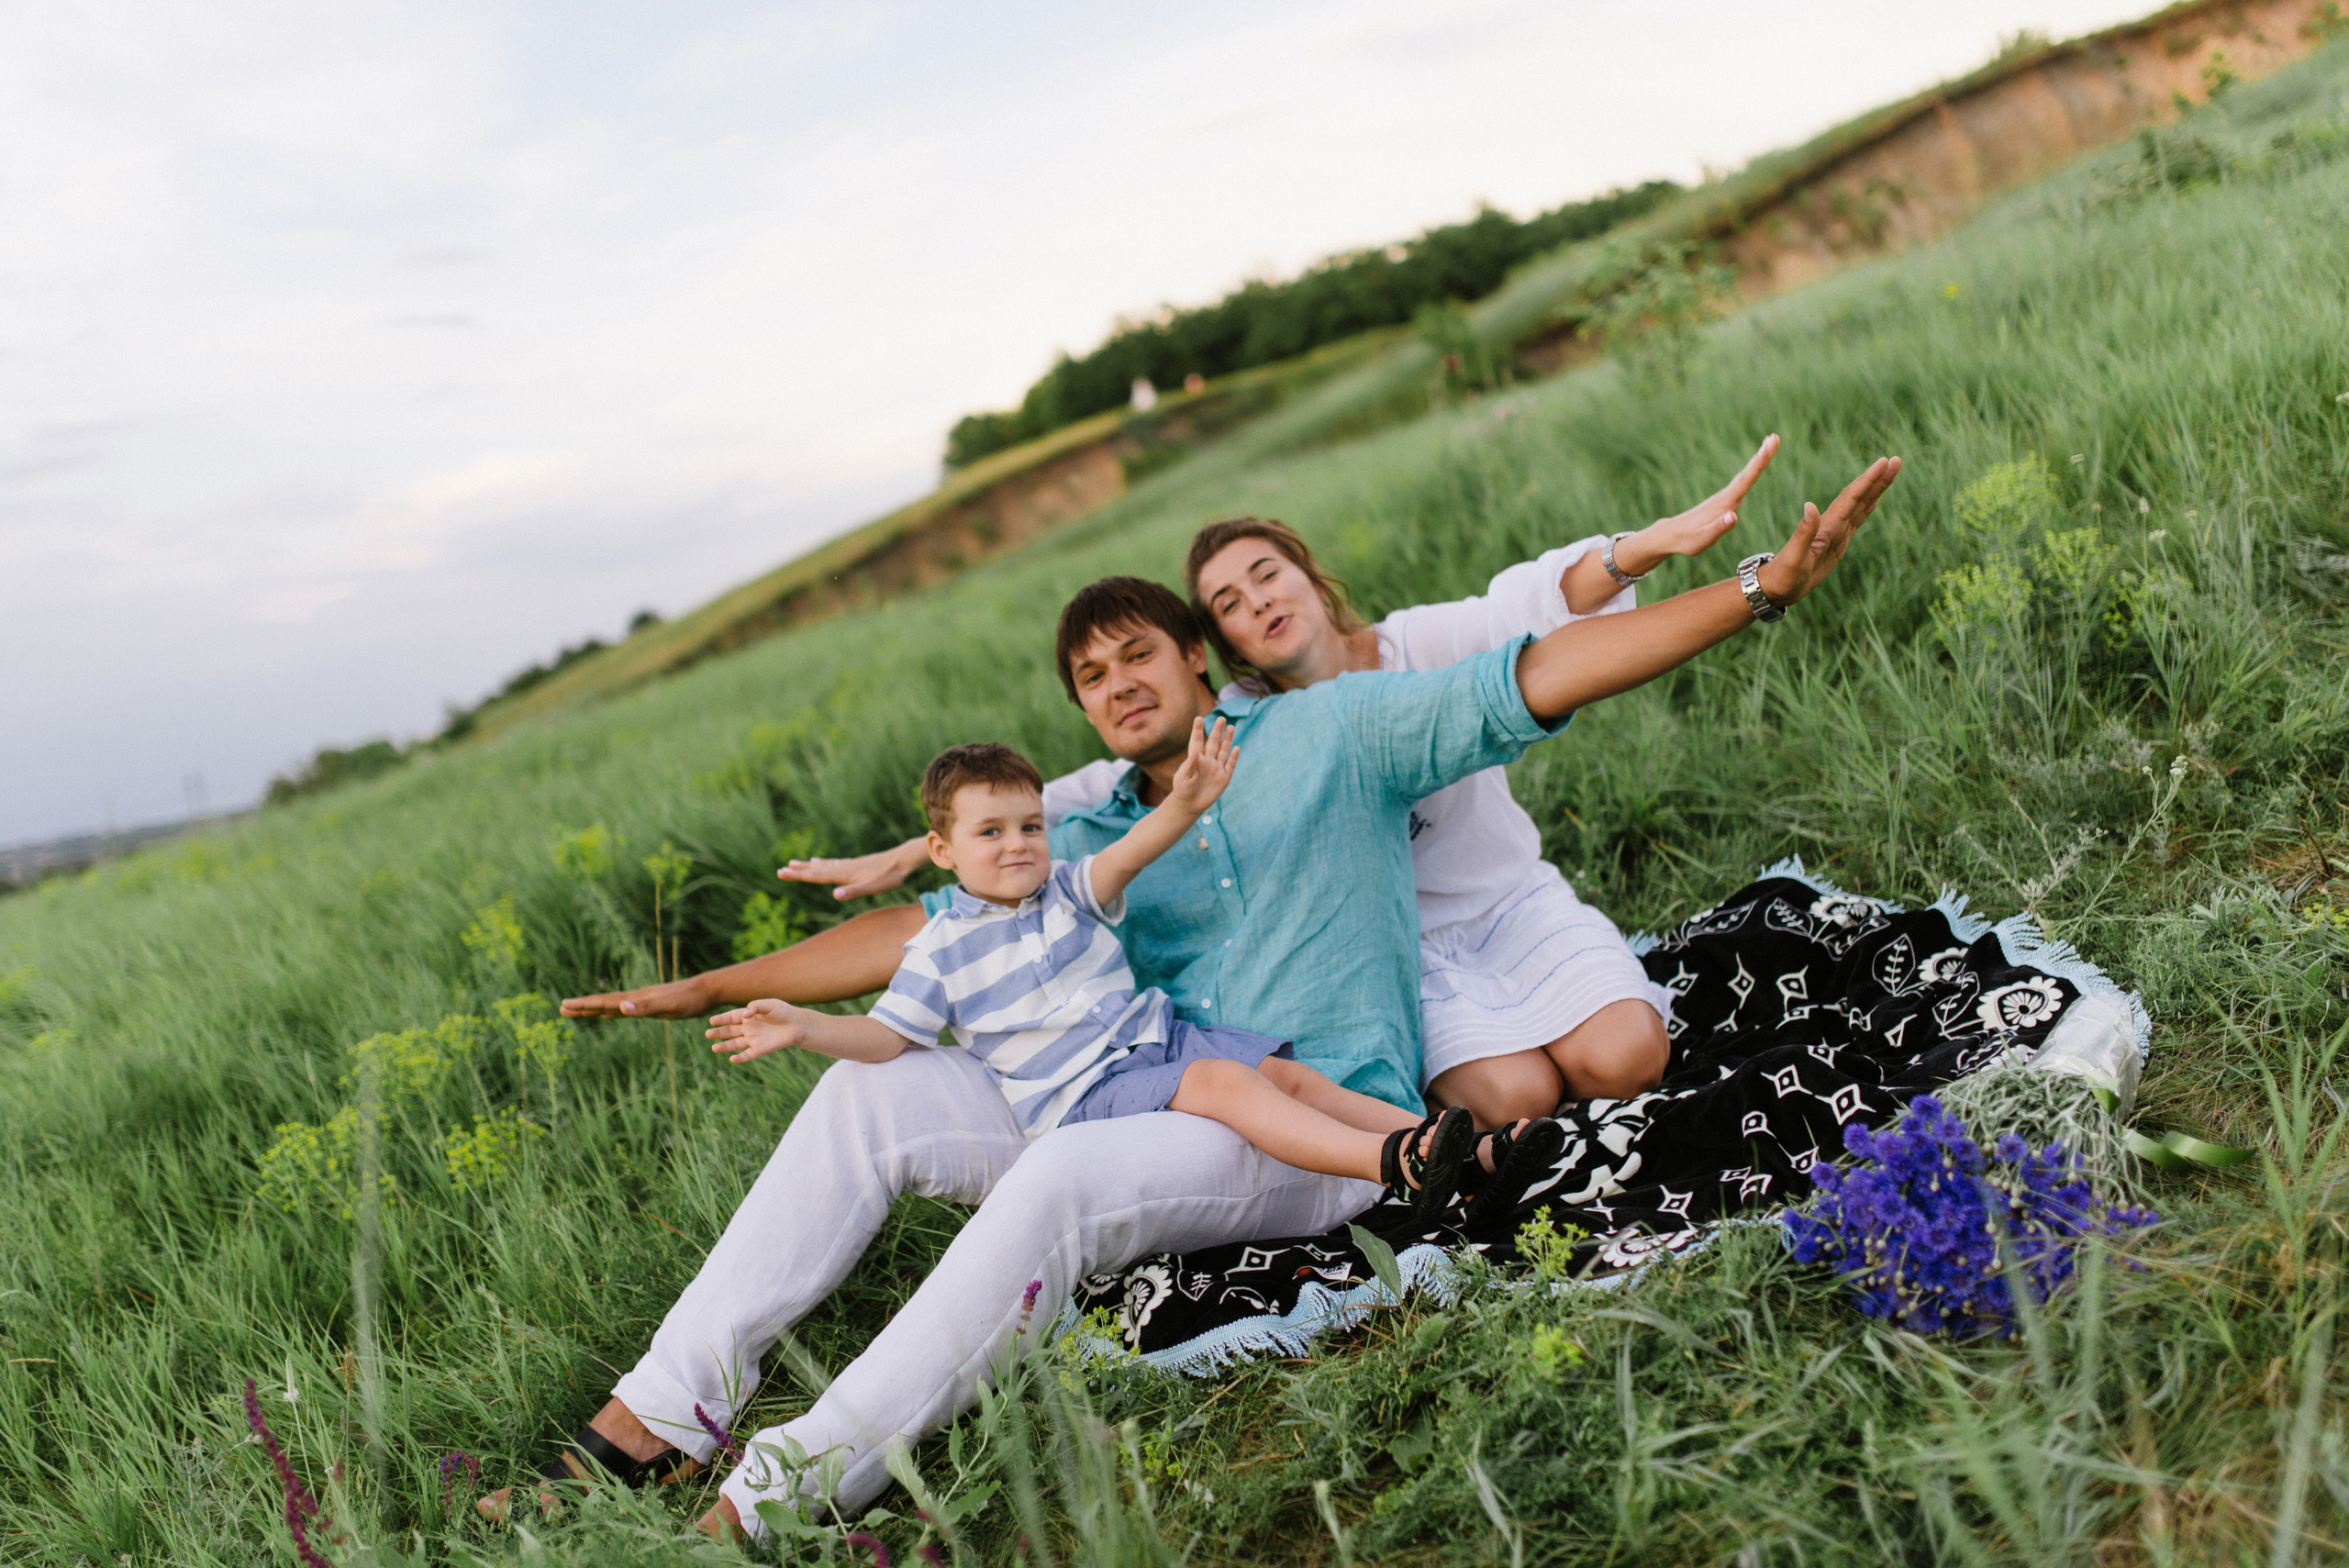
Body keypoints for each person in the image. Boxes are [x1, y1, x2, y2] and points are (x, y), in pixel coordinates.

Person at [532, 455, 1898, 1541]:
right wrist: (702, 985)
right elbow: (914, 925)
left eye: (1141, 654)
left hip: (1306, 1119)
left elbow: (1538, 672)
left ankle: (784, 1492)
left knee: (1062, 1183)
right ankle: (655, 1415)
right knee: (867, 1089)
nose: (1119, 684)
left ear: (1200, 663)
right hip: (1131, 1083)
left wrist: (1756, 591)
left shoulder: (1335, 729)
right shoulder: (1088, 823)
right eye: (1090, 676)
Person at [779, 438, 1784, 1131]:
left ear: (1307, 575)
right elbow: (1093, 780)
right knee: (1517, 1095)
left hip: (1510, 904)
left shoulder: (1410, 648)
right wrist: (932, 842)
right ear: (1215, 646)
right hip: (1399, 959)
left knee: (1625, 1061)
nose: (1256, 601)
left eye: (1267, 574)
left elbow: (1532, 612)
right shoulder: (1241, 728)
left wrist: (1654, 548)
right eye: (1227, 601)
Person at [707, 733, 1486, 1221]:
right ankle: (1393, 1167)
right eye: (990, 832)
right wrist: (805, 1025)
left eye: (1030, 826)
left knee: (1291, 1076)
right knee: (1223, 1084)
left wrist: (1182, 802)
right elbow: (884, 1035)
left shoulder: (1069, 889)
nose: (1018, 845)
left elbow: (1133, 849)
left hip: (1160, 1043)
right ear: (942, 851)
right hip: (1084, 1094)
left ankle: (1449, 1146)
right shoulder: (939, 949)